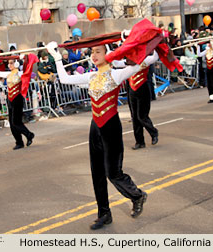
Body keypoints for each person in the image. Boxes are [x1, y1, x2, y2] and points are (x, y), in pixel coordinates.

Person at [46, 41, 148, 230]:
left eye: (98, 52)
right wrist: (57, 56)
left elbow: (141, 62)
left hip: (111, 127)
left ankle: (137, 195)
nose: (94, 55)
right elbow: (64, 79)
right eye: (92, 52)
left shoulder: (116, 74)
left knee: (113, 172)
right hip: (95, 128)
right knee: (97, 174)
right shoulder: (91, 76)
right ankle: (104, 214)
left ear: (107, 54)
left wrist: (130, 43)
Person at [0, 54, 37, 150]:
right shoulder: (8, 74)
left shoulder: (19, 73)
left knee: (16, 122)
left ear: (15, 63)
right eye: (8, 63)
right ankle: (19, 142)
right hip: (10, 99)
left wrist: (24, 58)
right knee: (12, 123)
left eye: (11, 63)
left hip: (18, 99)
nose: (9, 65)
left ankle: (29, 134)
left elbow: (28, 69)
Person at [124, 52, 159, 150]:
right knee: (134, 117)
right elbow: (115, 63)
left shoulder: (145, 60)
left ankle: (153, 132)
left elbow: (155, 57)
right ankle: (139, 142)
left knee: (142, 116)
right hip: (131, 91)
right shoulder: (127, 63)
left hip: (143, 90)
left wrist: (156, 43)